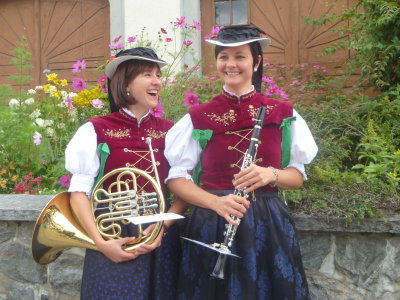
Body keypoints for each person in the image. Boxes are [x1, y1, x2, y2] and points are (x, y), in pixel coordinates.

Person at [165, 26, 318, 299]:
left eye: (240, 57)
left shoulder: (283, 112)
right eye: (223, 57)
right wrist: (215, 202)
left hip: (267, 224)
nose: (231, 64)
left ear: (256, 62)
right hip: (212, 220)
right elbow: (176, 178)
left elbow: (297, 176)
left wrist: (271, 174)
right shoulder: (198, 116)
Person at [65, 47, 186, 300]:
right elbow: (78, 193)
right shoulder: (95, 130)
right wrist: (100, 243)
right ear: (126, 84)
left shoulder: (171, 130)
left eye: (158, 75)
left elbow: (183, 188)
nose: (157, 81)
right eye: (147, 75)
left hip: (158, 236)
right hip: (112, 236)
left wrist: (163, 226)